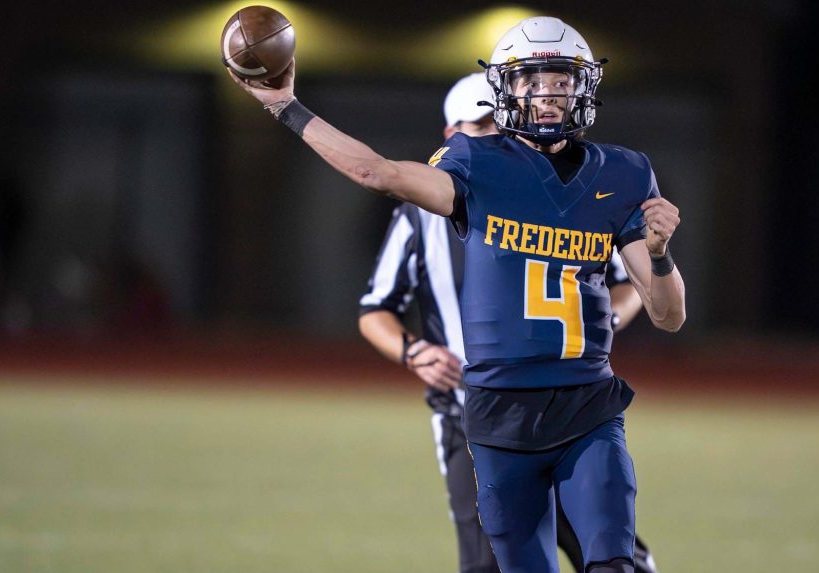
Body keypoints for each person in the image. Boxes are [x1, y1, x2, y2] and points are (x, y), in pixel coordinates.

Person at [228, 16, 686, 573]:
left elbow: (667, 315)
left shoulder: (626, 172)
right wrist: (285, 107)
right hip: (496, 413)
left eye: (561, 80)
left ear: (583, 87)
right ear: (507, 88)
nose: (547, 94)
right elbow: (378, 173)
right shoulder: (477, 162)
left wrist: (660, 254)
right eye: (532, 80)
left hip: (587, 406)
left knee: (616, 565)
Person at [357, 73, 659, 573]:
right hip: (473, 412)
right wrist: (413, 351)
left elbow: (629, 286)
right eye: (478, 125)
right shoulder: (419, 215)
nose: (492, 133)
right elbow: (374, 310)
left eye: (495, 122)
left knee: (611, 552)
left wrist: (601, 321)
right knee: (485, 562)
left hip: (561, 404)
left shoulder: (557, 202)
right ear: (450, 136)